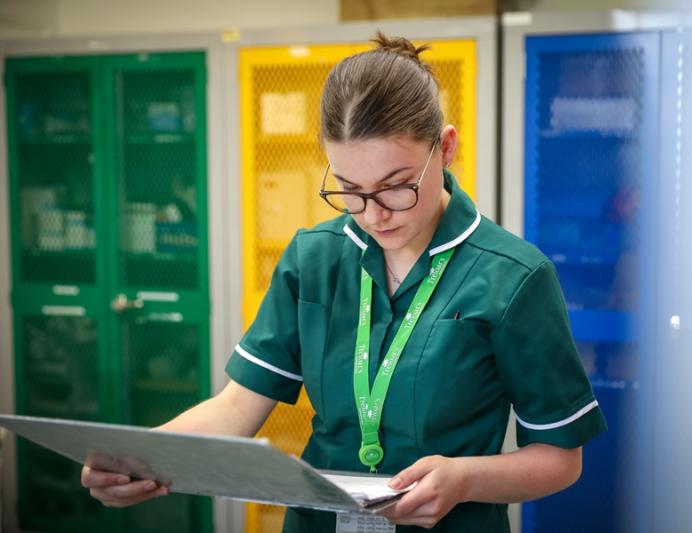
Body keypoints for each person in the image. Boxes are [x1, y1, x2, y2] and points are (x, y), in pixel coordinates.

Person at [81, 32, 607, 532]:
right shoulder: (315, 258)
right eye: (350, 191)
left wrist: (466, 479)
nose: (374, 215)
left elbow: (560, 459)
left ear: (444, 149)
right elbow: (239, 406)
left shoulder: (513, 277)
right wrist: (141, 458)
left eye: (396, 187)